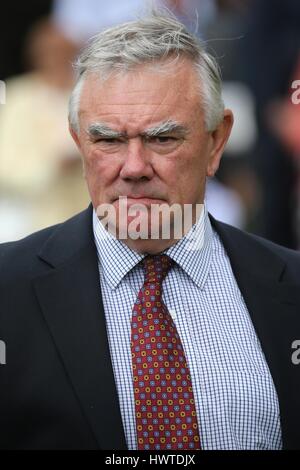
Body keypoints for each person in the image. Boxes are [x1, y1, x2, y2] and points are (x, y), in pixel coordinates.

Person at [0, 11, 300, 451]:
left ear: (216, 141)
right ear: (79, 141)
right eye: (108, 140)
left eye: (163, 139)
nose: (134, 168)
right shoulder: (7, 289)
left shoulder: (291, 286)